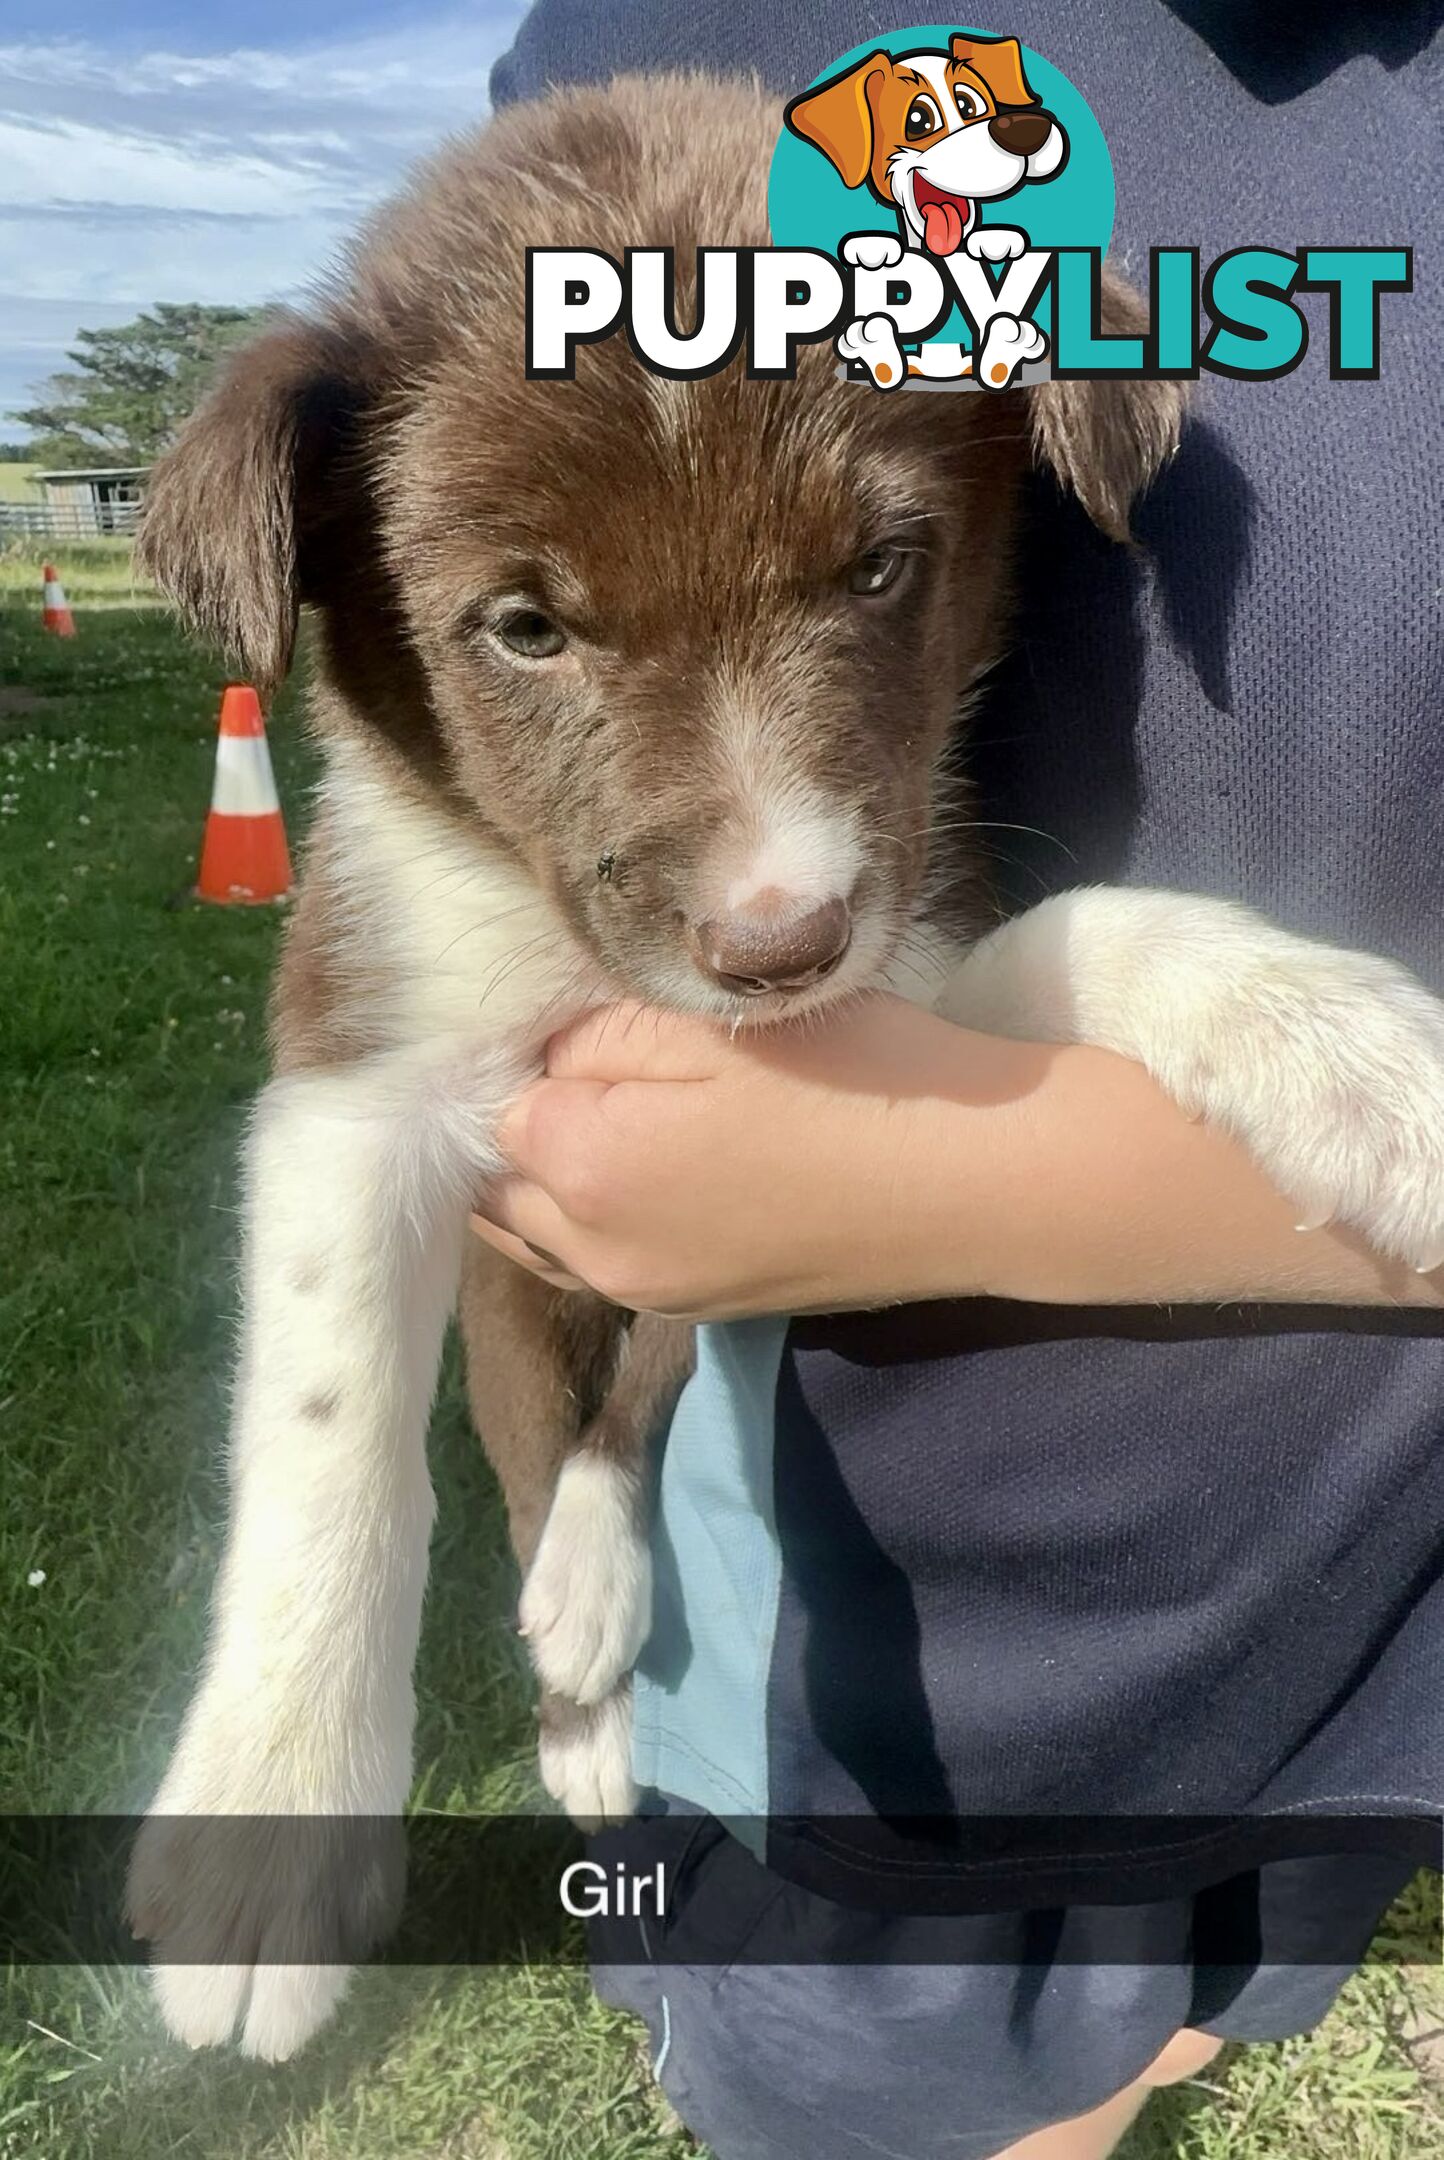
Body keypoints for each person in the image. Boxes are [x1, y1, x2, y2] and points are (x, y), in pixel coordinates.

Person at [473, 5, 1444, 2155]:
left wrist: (950, 1181)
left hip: (1365, 1597)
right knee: (922, 2090)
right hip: (894, 1667)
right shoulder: (674, 50)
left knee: (1181, 2009)